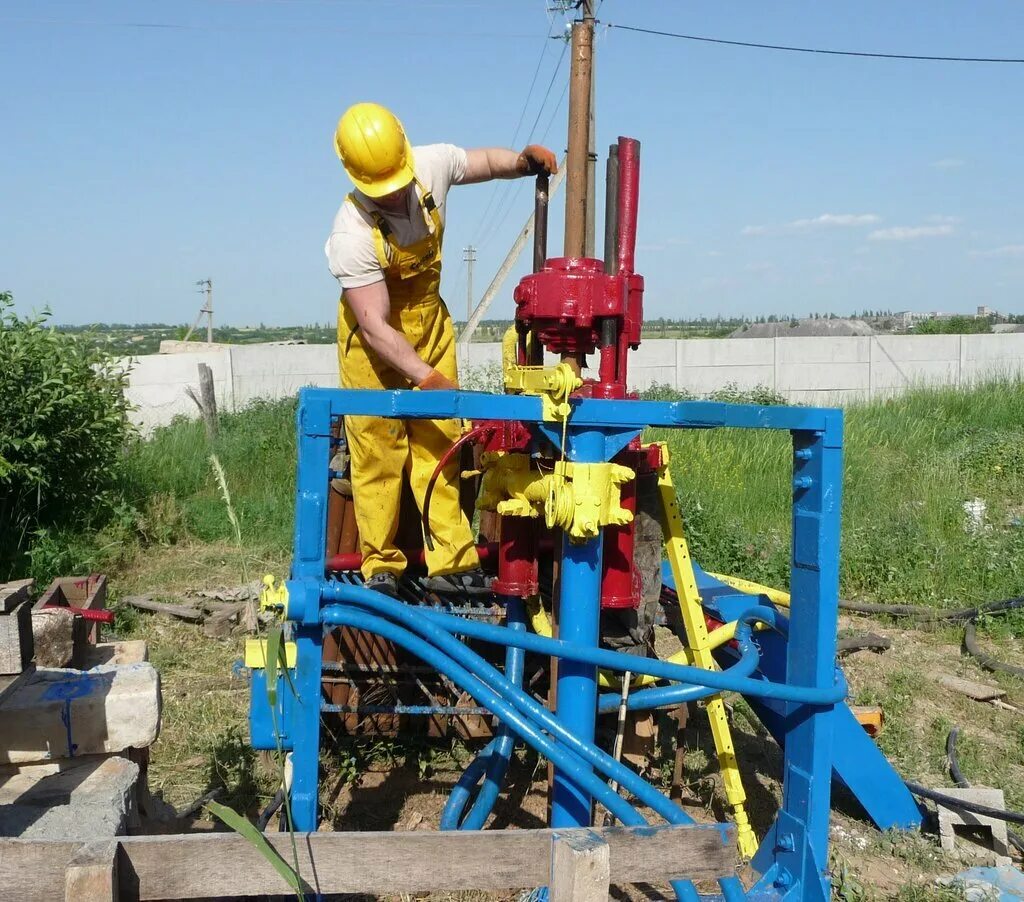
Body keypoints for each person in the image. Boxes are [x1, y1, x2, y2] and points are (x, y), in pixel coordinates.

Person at [325, 102, 557, 598]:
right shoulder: (350, 234)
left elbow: (481, 164)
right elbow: (376, 327)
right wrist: (424, 377)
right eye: (380, 190)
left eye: (396, 183)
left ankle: (450, 561)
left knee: (440, 441)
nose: (392, 195)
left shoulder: (430, 164)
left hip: (429, 324)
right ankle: (381, 564)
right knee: (377, 450)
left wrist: (521, 162)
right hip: (373, 347)